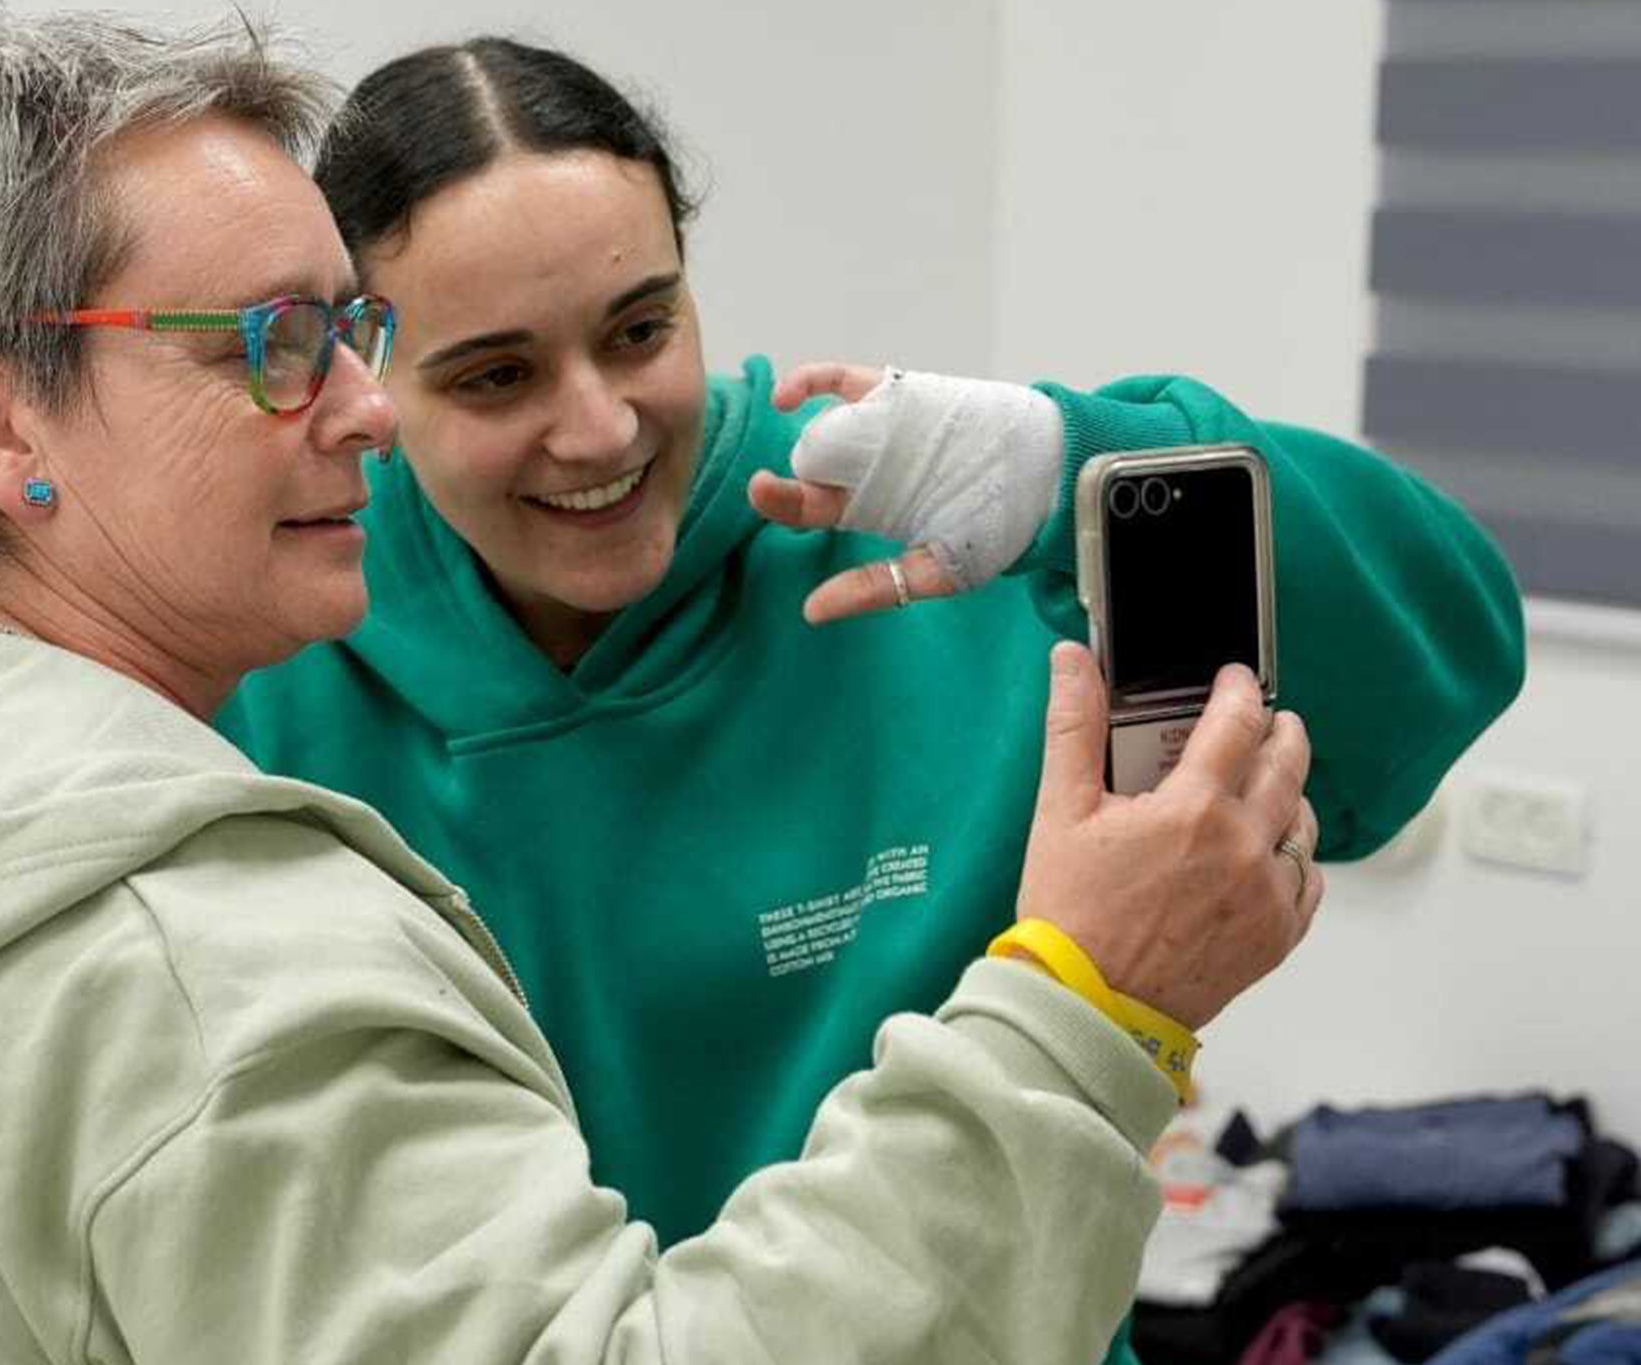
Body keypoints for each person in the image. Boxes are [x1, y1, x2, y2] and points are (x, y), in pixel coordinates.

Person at [0, 10, 1323, 1364]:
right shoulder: (201, 971)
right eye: (278, 346)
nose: (367, 407)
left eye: (354, 332)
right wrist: (1089, 1007)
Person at [214, 34, 1527, 1362]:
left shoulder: (912, 526)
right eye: (497, 373)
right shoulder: (264, 657)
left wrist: (1075, 459)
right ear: (363, 370)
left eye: (641, 329)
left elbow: (1440, 673)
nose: (600, 426)